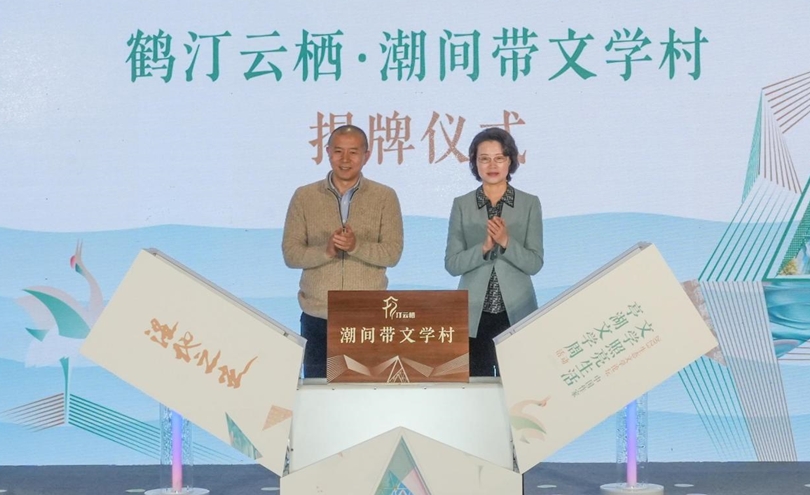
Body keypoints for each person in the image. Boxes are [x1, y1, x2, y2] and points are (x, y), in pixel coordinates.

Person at [282, 125, 404, 378]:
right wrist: (326, 251)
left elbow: (392, 253)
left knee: (367, 394)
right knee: (318, 394)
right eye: (338, 151)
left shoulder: (385, 196)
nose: (345, 159)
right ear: (327, 152)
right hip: (317, 316)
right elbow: (291, 254)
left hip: (368, 317)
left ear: (366, 156)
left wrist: (356, 247)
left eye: (353, 152)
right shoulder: (304, 196)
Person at [444, 128, 544, 377]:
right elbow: (452, 264)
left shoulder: (529, 203)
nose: (492, 165)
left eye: (499, 158)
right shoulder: (462, 204)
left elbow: (534, 263)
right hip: (473, 314)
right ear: (474, 162)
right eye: (484, 158)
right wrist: (484, 248)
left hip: (517, 311)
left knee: (520, 385)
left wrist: (506, 242)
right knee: (476, 388)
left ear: (510, 161)